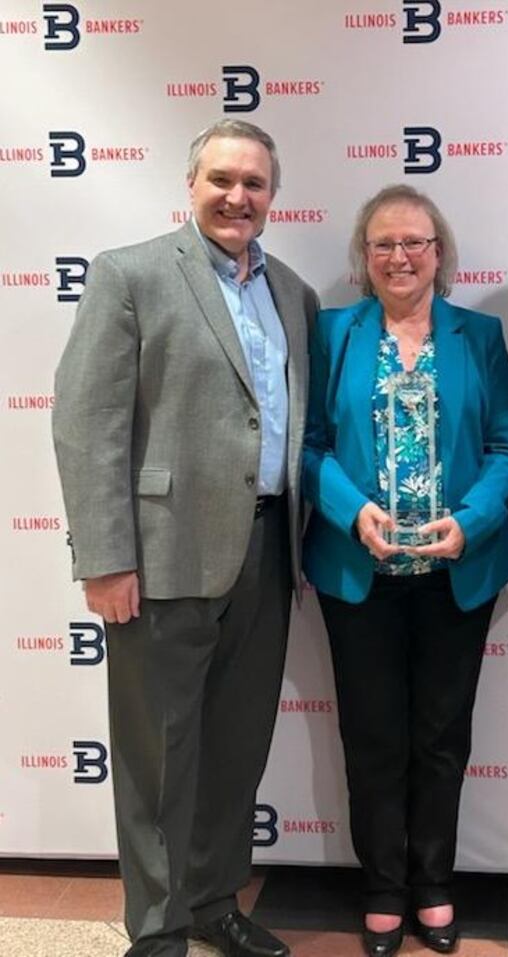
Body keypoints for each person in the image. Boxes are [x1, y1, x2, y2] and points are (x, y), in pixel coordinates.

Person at [52, 119, 317, 957]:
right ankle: (159, 931)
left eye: (255, 184)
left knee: (236, 751)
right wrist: (104, 557)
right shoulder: (130, 275)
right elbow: (86, 421)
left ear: (273, 196)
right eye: (223, 180)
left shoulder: (296, 296)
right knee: (157, 758)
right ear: (191, 184)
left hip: (270, 552)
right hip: (160, 558)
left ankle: (213, 901)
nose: (238, 197)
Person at [303, 184, 508, 956]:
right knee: (371, 737)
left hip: (453, 574)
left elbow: (507, 446)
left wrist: (470, 524)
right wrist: (347, 509)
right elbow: (309, 444)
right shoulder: (332, 334)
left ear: (440, 254)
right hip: (356, 573)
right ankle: (382, 886)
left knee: (440, 736)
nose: (400, 256)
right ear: (365, 259)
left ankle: (434, 882)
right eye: (384, 243)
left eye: (416, 242)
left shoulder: (479, 335)